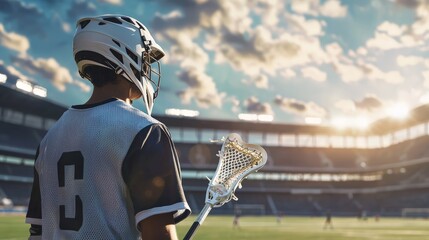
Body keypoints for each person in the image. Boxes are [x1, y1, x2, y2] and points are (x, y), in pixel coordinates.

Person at [25, 14, 191, 240]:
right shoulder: (145, 131)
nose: (146, 68)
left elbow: (37, 231)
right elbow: (158, 231)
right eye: (144, 59)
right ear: (123, 55)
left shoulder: (50, 138)